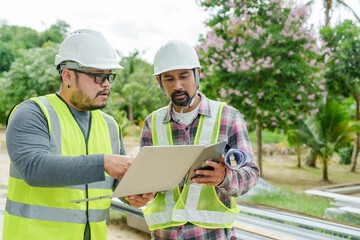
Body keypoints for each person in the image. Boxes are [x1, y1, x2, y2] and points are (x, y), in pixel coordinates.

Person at [3, 29, 152, 240]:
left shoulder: (110, 125)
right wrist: (104, 163)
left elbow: (117, 183)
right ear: (68, 76)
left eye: (109, 76)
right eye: (98, 76)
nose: (107, 84)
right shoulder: (32, 113)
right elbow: (34, 169)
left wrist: (133, 196)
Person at [136, 40, 260, 239]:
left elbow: (250, 174)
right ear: (159, 81)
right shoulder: (152, 123)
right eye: (169, 79)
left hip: (213, 235)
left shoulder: (228, 117)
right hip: (164, 235)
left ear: (197, 74)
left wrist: (224, 177)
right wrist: (141, 192)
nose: (177, 85)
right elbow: (143, 180)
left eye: (184, 76)